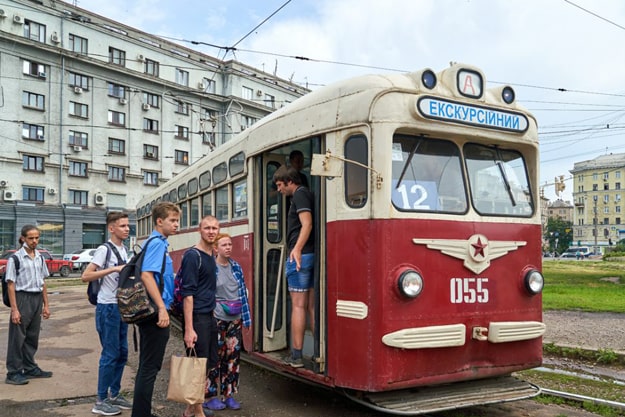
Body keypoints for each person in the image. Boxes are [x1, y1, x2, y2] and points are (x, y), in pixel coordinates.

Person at [131, 202, 180, 417]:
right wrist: (161, 308)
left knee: (147, 366)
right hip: (154, 313)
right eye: (172, 221)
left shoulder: (154, 242)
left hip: (151, 311)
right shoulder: (158, 243)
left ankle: (141, 412)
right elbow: (147, 276)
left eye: (177, 220)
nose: (177, 225)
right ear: (159, 221)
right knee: (150, 368)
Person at [82, 212, 131, 415]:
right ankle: (100, 400)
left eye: (128, 226)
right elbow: (86, 275)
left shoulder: (124, 249)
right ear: (112, 228)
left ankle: (114, 394)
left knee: (122, 353)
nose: (127, 229)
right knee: (110, 354)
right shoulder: (104, 249)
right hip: (108, 307)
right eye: (122, 226)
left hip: (121, 307)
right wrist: (112, 270)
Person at [273, 165, 315, 368]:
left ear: (290, 182)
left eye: (280, 185)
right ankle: (317, 351)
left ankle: (296, 355)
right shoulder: (307, 194)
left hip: (301, 257)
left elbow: (306, 223)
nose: (279, 190)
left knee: (298, 306)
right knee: (312, 306)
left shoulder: (299, 195)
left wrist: (296, 249)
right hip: (311, 255)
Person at [179, 215, 220, 417]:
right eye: (207, 228)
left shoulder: (211, 255)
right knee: (197, 366)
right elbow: (188, 294)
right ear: (199, 230)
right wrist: (189, 328)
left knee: (207, 364)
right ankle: (199, 412)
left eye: (214, 228)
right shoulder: (192, 256)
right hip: (197, 318)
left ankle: (190, 410)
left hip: (209, 316)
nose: (211, 231)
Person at [205, 233, 251, 411]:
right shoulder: (211, 268)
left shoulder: (236, 267)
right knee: (214, 358)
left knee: (232, 359)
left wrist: (245, 317)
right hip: (217, 319)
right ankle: (209, 396)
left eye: (230, 244)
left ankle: (228, 395)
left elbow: (241, 292)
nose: (228, 247)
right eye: (224, 245)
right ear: (216, 248)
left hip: (235, 319)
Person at [5, 225, 53, 385]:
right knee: (17, 338)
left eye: (37, 238)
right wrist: (15, 310)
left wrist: (46, 305)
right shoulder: (16, 258)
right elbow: (10, 284)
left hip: (36, 298)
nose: (34, 241)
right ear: (23, 238)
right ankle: (13, 372)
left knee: (32, 337)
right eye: (31, 238)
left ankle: (30, 367)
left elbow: (43, 282)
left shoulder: (39, 257)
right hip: (22, 298)